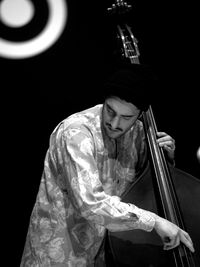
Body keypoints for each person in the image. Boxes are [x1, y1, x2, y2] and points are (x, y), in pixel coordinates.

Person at [20, 64, 194, 267]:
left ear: (139, 114)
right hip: (57, 257)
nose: (115, 123)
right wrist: (154, 222)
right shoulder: (76, 133)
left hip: (101, 254)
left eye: (126, 117)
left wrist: (167, 159)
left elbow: (143, 189)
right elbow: (90, 203)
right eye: (110, 111)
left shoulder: (138, 133)